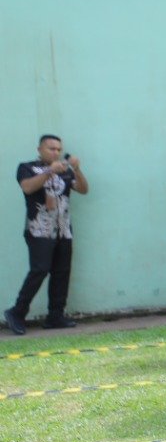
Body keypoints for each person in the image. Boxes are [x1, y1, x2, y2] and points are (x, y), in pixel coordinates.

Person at [6, 135, 88, 334]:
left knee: (62, 272)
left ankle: (55, 316)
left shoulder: (66, 172)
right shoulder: (27, 168)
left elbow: (84, 189)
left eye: (59, 149)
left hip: (63, 229)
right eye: (51, 148)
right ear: (39, 149)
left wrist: (76, 169)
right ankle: (17, 312)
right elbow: (27, 187)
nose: (56, 152)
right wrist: (50, 171)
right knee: (40, 269)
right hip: (39, 229)